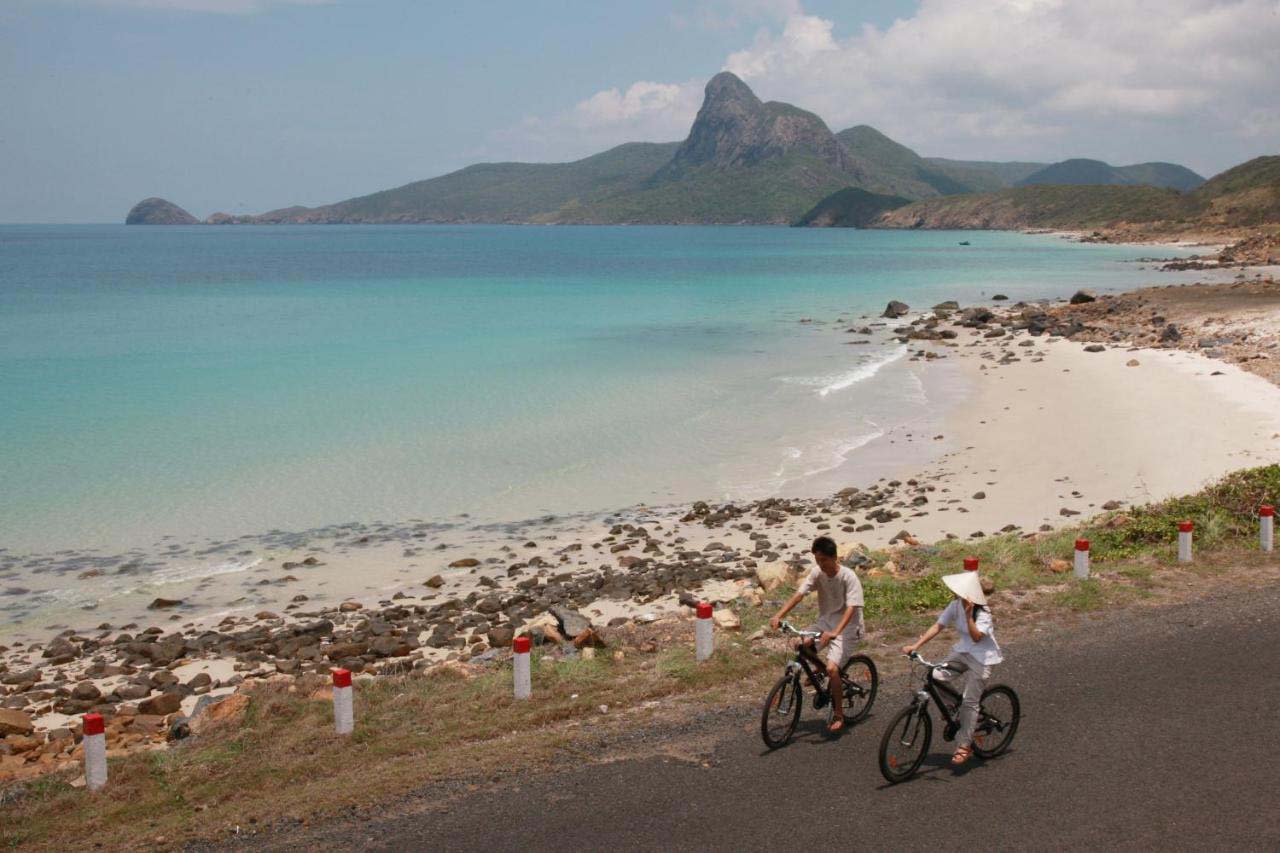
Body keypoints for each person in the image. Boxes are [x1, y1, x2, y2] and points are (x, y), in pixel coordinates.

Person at [902, 570, 1002, 765]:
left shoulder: (983, 613)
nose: (956, 593)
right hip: (963, 651)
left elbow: (977, 637)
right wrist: (915, 645)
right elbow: (938, 626)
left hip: (982, 658)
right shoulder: (955, 605)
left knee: (970, 702)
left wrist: (969, 616)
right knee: (935, 675)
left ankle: (964, 745)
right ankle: (954, 707)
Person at [769, 536, 865, 733]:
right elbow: (799, 595)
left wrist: (835, 632)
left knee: (832, 670)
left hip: (848, 627)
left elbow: (852, 608)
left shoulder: (848, 577)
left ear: (835, 557)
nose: (820, 564)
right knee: (801, 645)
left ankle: (838, 713)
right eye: (817, 560)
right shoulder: (817, 573)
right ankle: (819, 671)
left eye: (824, 560)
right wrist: (779, 615)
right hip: (825, 622)